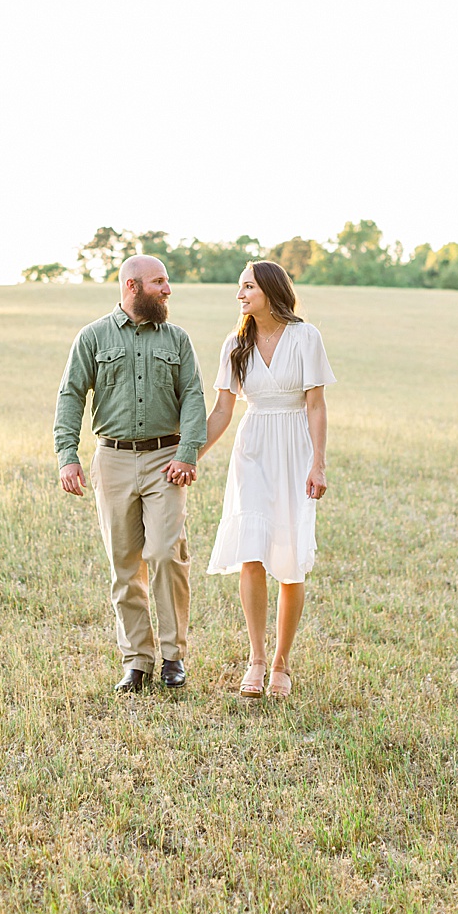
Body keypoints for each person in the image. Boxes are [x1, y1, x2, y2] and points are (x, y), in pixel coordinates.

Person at [54, 255, 208, 694]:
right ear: (131, 286)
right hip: (113, 460)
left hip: (166, 461)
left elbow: (193, 396)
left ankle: (173, 656)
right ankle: (136, 662)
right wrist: (68, 455)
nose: (167, 289)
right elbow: (70, 396)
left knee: (164, 554)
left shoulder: (177, 340)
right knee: (125, 566)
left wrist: (187, 453)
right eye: (159, 282)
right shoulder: (92, 337)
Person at [197, 260, 334, 700]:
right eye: (239, 287)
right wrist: (191, 455)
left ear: (271, 289)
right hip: (252, 448)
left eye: (248, 286)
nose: (240, 295)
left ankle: (281, 662)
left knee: (290, 560)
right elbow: (222, 411)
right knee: (251, 550)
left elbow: (315, 405)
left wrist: (319, 463)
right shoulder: (234, 344)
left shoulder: (305, 337)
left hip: (294, 448)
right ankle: (256, 658)